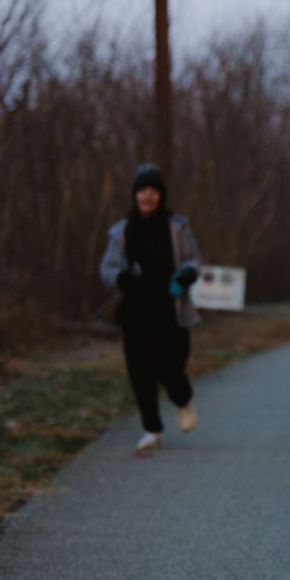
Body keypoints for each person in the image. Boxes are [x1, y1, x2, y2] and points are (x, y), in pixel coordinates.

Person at [100, 163, 202, 453]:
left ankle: (182, 400)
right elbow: (107, 268)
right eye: (142, 191)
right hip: (135, 313)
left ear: (161, 195)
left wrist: (187, 274)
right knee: (140, 373)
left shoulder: (177, 226)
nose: (148, 196)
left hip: (171, 310)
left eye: (153, 191)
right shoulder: (121, 232)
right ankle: (151, 429)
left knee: (170, 367)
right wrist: (121, 278)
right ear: (135, 195)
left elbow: (194, 259)